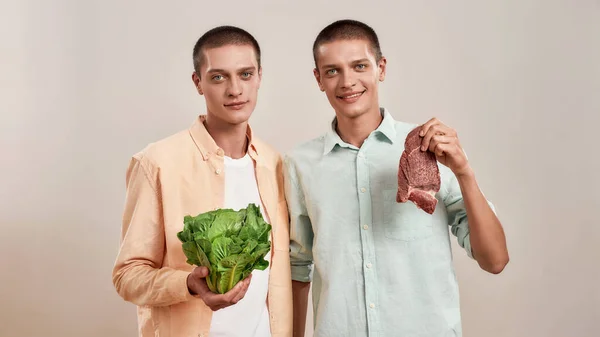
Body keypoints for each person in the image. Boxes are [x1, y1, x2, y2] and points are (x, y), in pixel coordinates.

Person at [284, 19, 509, 337]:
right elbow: (297, 267)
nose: (348, 82)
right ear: (318, 78)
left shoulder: (431, 147)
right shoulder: (300, 164)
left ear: (381, 68)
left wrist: (464, 172)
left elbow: (495, 260)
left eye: (359, 65)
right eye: (332, 70)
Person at [112, 25, 292, 337]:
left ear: (260, 76)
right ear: (198, 82)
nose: (235, 90)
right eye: (219, 77)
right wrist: (188, 284)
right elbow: (127, 275)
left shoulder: (275, 164)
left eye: (246, 74)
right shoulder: (157, 163)